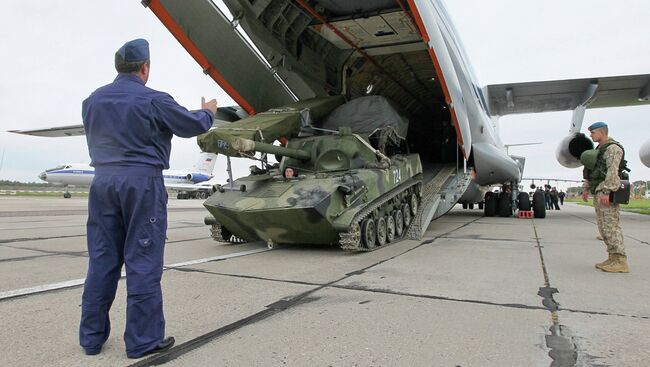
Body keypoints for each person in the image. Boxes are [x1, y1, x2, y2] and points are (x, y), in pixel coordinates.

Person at [79, 39, 217, 358]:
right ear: (145, 68)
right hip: (140, 183)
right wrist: (207, 112)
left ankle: (91, 338)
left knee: (102, 259)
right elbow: (191, 125)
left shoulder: (92, 100)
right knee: (142, 261)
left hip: (102, 182)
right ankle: (142, 340)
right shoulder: (154, 99)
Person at [581, 121, 629, 273]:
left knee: (611, 226)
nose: (591, 135)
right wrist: (586, 188)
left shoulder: (613, 148)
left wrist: (607, 191)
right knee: (603, 227)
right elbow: (592, 171)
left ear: (601, 132)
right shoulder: (600, 149)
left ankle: (620, 260)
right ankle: (612, 257)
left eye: (593, 132)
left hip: (606, 191)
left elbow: (612, 172)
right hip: (599, 190)